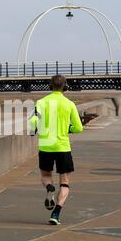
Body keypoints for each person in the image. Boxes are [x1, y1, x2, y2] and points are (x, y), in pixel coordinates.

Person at [29, 75, 83, 225]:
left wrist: (34, 128)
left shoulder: (41, 102)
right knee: (64, 182)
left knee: (46, 175)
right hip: (62, 146)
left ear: (50, 86)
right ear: (65, 86)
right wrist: (68, 129)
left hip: (46, 145)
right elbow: (78, 128)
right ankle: (56, 213)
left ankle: (48, 187)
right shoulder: (69, 104)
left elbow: (33, 121)